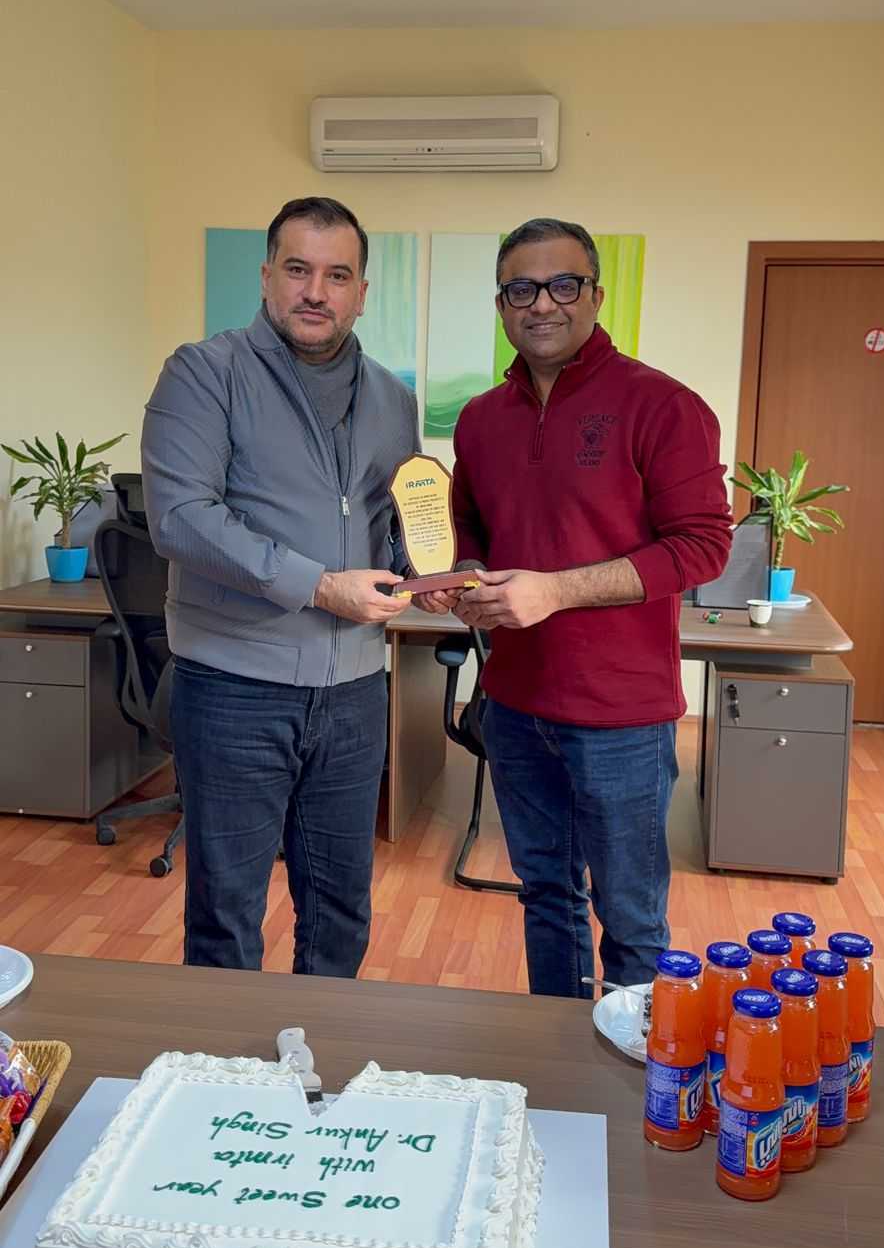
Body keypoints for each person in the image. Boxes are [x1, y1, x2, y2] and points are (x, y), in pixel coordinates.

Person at [418, 217, 732, 996]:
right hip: (516, 705)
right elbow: (473, 533)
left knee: (630, 918)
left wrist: (555, 590)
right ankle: (559, 1061)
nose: (543, 305)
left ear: (594, 295)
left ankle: (632, 1090)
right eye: (522, 288)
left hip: (622, 715)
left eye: (564, 285)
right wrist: (467, 583)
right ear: (502, 305)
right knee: (546, 897)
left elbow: (702, 547)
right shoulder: (482, 419)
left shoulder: (663, 405)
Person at [142, 196, 418, 976]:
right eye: (297, 269)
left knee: (341, 910)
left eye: (337, 275)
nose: (315, 292)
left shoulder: (393, 400)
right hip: (234, 689)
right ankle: (229, 1089)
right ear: (267, 277)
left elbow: (389, 523)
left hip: (358, 694)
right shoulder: (204, 372)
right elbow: (183, 519)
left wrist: (428, 575)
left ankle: (318, 1077)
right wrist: (322, 587)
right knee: (226, 913)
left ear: (362, 290)